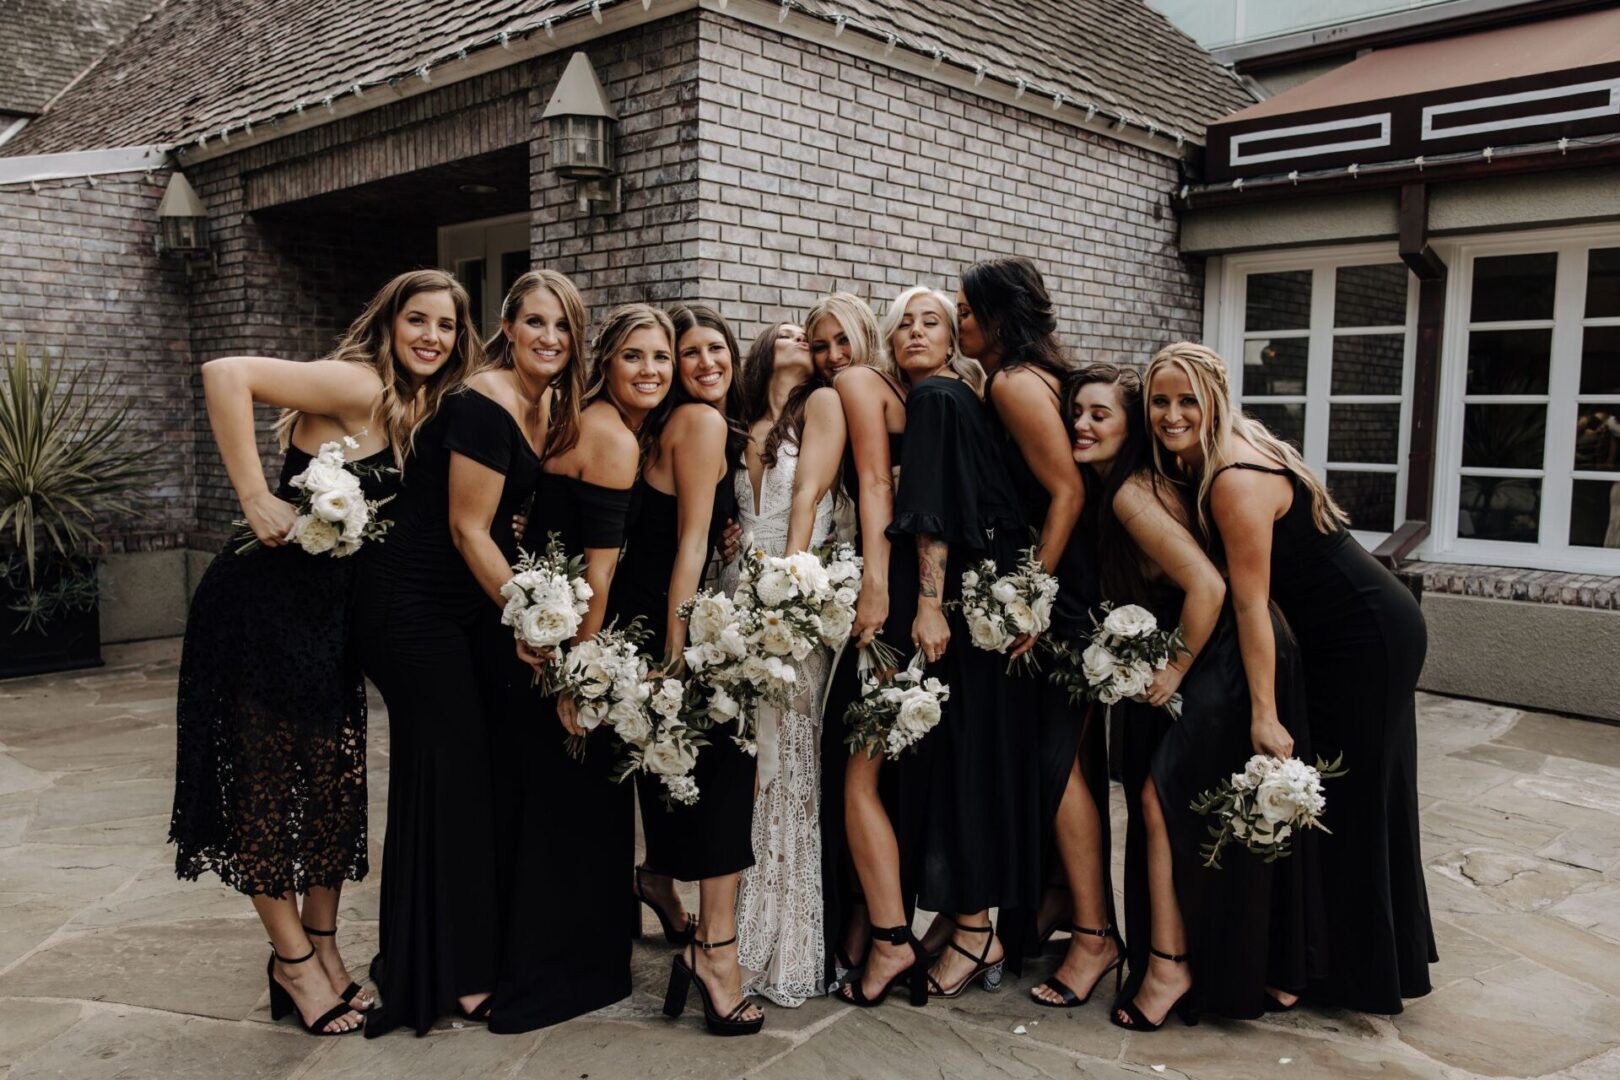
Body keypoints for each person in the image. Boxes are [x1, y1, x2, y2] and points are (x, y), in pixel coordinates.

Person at [172, 269, 471, 1037]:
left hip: (330, 624)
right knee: (268, 792)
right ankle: (293, 962)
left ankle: (326, 949)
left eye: (446, 325)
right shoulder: (358, 382)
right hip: (261, 609)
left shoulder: (419, 407)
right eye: (418, 320)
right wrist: (251, 495)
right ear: (389, 323)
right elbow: (225, 373)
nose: (431, 337)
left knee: (332, 790)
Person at [1144, 342, 1435, 1015]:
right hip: (1357, 630)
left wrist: (1264, 713)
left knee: (1349, 802)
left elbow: (1250, 604)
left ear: (1215, 398)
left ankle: (1348, 973)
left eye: (1187, 399)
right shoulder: (1227, 450)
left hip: (1366, 637)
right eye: (1160, 401)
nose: (1171, 414)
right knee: (1349, 798)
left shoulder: (1231, 479)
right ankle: (1331, 961)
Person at [1065, 363, 1316, 1027]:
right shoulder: (1133, 484)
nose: (1082, 425)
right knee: (1190, 806)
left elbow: (1209, 589)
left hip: (1227, 655)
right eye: (1077, 414)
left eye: (1101, 414)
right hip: (1217, 651)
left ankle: (1170, 966)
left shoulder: (1131, 494)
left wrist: (1172, 670)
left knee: (1161, 798)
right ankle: (1247, 963)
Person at [499, 303, 674, 1032]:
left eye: (660, 357)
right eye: (634, 356)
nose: (652, 371)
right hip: (569, 652)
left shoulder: (585, 420)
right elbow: (597, 578)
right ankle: (568, 967)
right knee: (576, 814)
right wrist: (578, 678)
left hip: (542, 639)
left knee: (550, 811)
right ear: (605, 361)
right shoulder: (612, 439)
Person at [607, 303, 763, 1036]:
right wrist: (675, 661)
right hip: (675, 625)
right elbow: (690, 547)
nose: (704, 364)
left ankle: (661, 889)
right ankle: (716, 956)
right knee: (726, 779)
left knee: (683, 779)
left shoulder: (673, 427)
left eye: (712, 350)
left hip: (649, 616)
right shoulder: (698, 424)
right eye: (687, 352)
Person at [957, 257, 1109, 992]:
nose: (958, 325)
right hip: (1062, 588)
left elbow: (1067, 491)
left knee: (1060, 771)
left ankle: (1095, 936)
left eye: (964, 311)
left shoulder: (1016, 383)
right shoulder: (1027, 377)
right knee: (1063, 764)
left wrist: (1029, 599)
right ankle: (1057, 908)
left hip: (1057, 597)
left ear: (996, 317)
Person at [883, 285, 1034, 1001]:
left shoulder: (936, 400)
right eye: (903, 324)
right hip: (989, 600)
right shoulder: (953, 398)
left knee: (959, 766)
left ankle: (976, 929)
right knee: (960, 761)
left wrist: (929, 604)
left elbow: (933, 510)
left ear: (951, 340)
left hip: (966, 609)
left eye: (932, 322)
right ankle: (963, 914)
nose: (916, 331)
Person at [725, 315, 845, 1006]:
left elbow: (807, 498)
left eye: (812, 333)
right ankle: (738, 920)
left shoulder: (821, 404)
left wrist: (790, 594)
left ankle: (785, 938)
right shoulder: (739, 422)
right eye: (787, 329)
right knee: (748, 759)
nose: (800, 336)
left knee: (789, 757)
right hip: (738, 597)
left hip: (793, 599)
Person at [806, 292, 896, 990]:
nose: (833, 356)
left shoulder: (860, 384)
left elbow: (873, 483)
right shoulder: (869, 391)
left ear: (867, 338)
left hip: (876, 599)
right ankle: (862, 926)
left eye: (843, 340)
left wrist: (873, 581)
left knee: (855, 771)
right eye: (821, 345)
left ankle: (880, 933)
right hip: (866, 592)